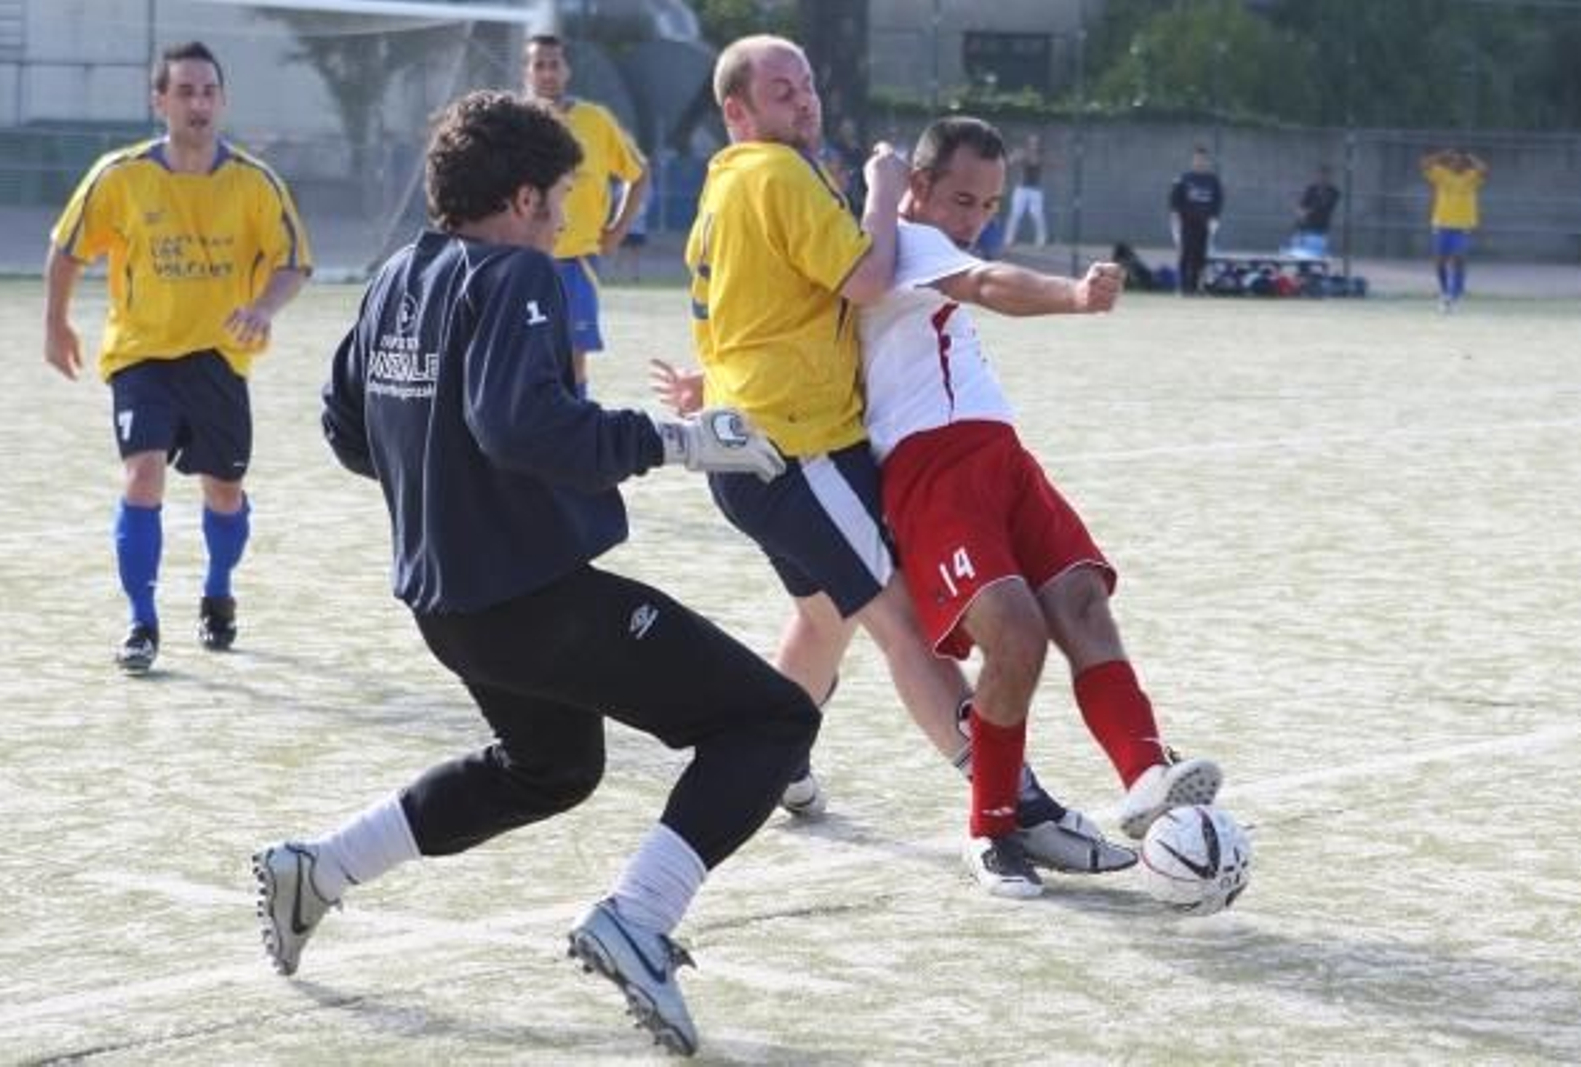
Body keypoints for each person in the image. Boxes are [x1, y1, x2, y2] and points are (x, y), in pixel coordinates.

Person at [251, 90, 816, 1057]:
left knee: (552, 767)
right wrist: (682, 440)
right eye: (558, 198)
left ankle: (319, 869)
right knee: (769, 720)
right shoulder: (515, 272)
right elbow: (523, 427)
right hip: (530, 600)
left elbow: (347, 431)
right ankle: (639, 918)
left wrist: (440, 472)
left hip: (449, 604)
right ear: (519, 198)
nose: (563, 222)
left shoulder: (396, 273)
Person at [665, 34, 1133, 884]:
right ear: (738, 114)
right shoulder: (778, 173)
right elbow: (866, 278)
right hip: (796, 451)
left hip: (749, 446)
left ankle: (767, 754)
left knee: (822, 619)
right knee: (907, 626)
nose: (804, 100)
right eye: (781, 91)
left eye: (806, 83)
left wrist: (717, 379)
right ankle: (1012, 804)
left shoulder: (725, 184)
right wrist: (881, 194)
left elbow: (761, 303)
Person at [858, 116, 1223, 896]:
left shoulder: (920, 242)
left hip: (1001, 456)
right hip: (931, 473)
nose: (974, 219)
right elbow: (992, 283)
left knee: (1083, 599)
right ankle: (990, 830)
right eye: (961, 198)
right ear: (917, 188)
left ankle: (1145, 771)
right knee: (1014, 634)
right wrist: (1075, 294)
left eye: (988, 205)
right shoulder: (904, 240)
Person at [42, 40, 312, 674]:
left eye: (208, 91)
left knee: (224, 492)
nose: (198, 103)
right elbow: (68, 248)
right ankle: (142, 621)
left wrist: (263, 309)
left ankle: (217, 589)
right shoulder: (121, 175)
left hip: (220, 358)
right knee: (143, 475)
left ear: (223, 100)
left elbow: (294, 261)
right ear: (158, 99)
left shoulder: (254, 182)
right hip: (142, 354)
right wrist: (55, 324)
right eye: (184, 91)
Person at [523, 33, 650, 397]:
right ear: (527, 71)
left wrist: (616, 231)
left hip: (578, 260)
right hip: (525, 260)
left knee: (575, 355)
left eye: (554, 64)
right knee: (525, 350)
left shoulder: (595, 120)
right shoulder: (513, 122)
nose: (547, 73)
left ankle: (575, 423)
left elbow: (639, 174)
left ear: (567, 70)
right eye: (539, 65)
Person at [1420, 147, 1488, 312]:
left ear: (1465, 163)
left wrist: (1471, 157)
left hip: (1462, 227)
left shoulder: (1471, 176)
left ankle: (1455, 294)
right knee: (1440, 262)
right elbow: (1424, 165)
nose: (1456, 163)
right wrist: (1441, 155)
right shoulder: (1441, 174)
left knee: (1459, 258)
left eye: (1460, 160)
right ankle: (1444, 292)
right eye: (1453, 160)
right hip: (1442, 225)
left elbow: (1485, 171)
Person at [1169, 144, 1223, 296]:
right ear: (1193, 160)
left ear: (1207, 161)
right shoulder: (1183, 178)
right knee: (1186, 254)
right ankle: (1183, 287)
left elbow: (1218, 201)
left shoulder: (1213, 180)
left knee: (1201, 256)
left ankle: (1197, 288)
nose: (1200, 161)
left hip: (1205, 224)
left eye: (1203, 159)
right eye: (1197, 158)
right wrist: (1175, 221)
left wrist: (1215, 220)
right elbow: (1174, 202)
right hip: (1186, 223)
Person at [1001, 132, 1048, 250]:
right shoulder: (1022, 153)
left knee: (1037, 215)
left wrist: (1025, 156)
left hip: (1035, 190)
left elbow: (1036, 162)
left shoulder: (1040, 155)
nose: (1034, 144)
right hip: (1021, 188)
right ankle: (1008, 240)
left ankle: (1041, 241)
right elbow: (1008, 162)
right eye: (1032, 141)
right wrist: (1015, 156)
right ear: (1028, 143)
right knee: (1015, 214)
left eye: (1036, 142)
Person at [1292, 164, 1340, 258]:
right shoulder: (1311, 189)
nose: (1322, 178)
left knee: (1317, 256)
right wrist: (1299, 211)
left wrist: (1307, 212)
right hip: (1305, 228)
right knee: (1300, 255)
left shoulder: (1334, 192)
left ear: (1329, 177)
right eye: (1320, 175)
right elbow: (1302, 203)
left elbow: (1324, 206)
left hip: (1320, 228)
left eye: (1325, 175)